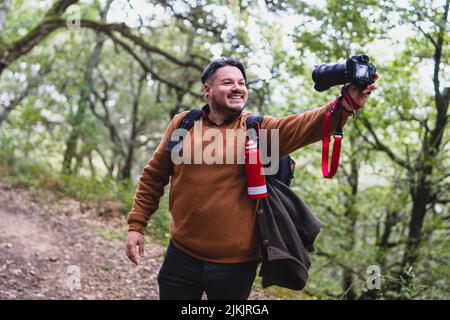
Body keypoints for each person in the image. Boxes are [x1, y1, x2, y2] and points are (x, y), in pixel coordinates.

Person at [125, 57, 379, 300]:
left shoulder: (259, 131)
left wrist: (347, 104)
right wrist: (137, 225)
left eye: (242, 83)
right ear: (207, 90)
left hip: (235, 267)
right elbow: (154, 176)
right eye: (228, 83)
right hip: (180, 256)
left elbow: (308, 124)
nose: (237, 88)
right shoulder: (184, 124)